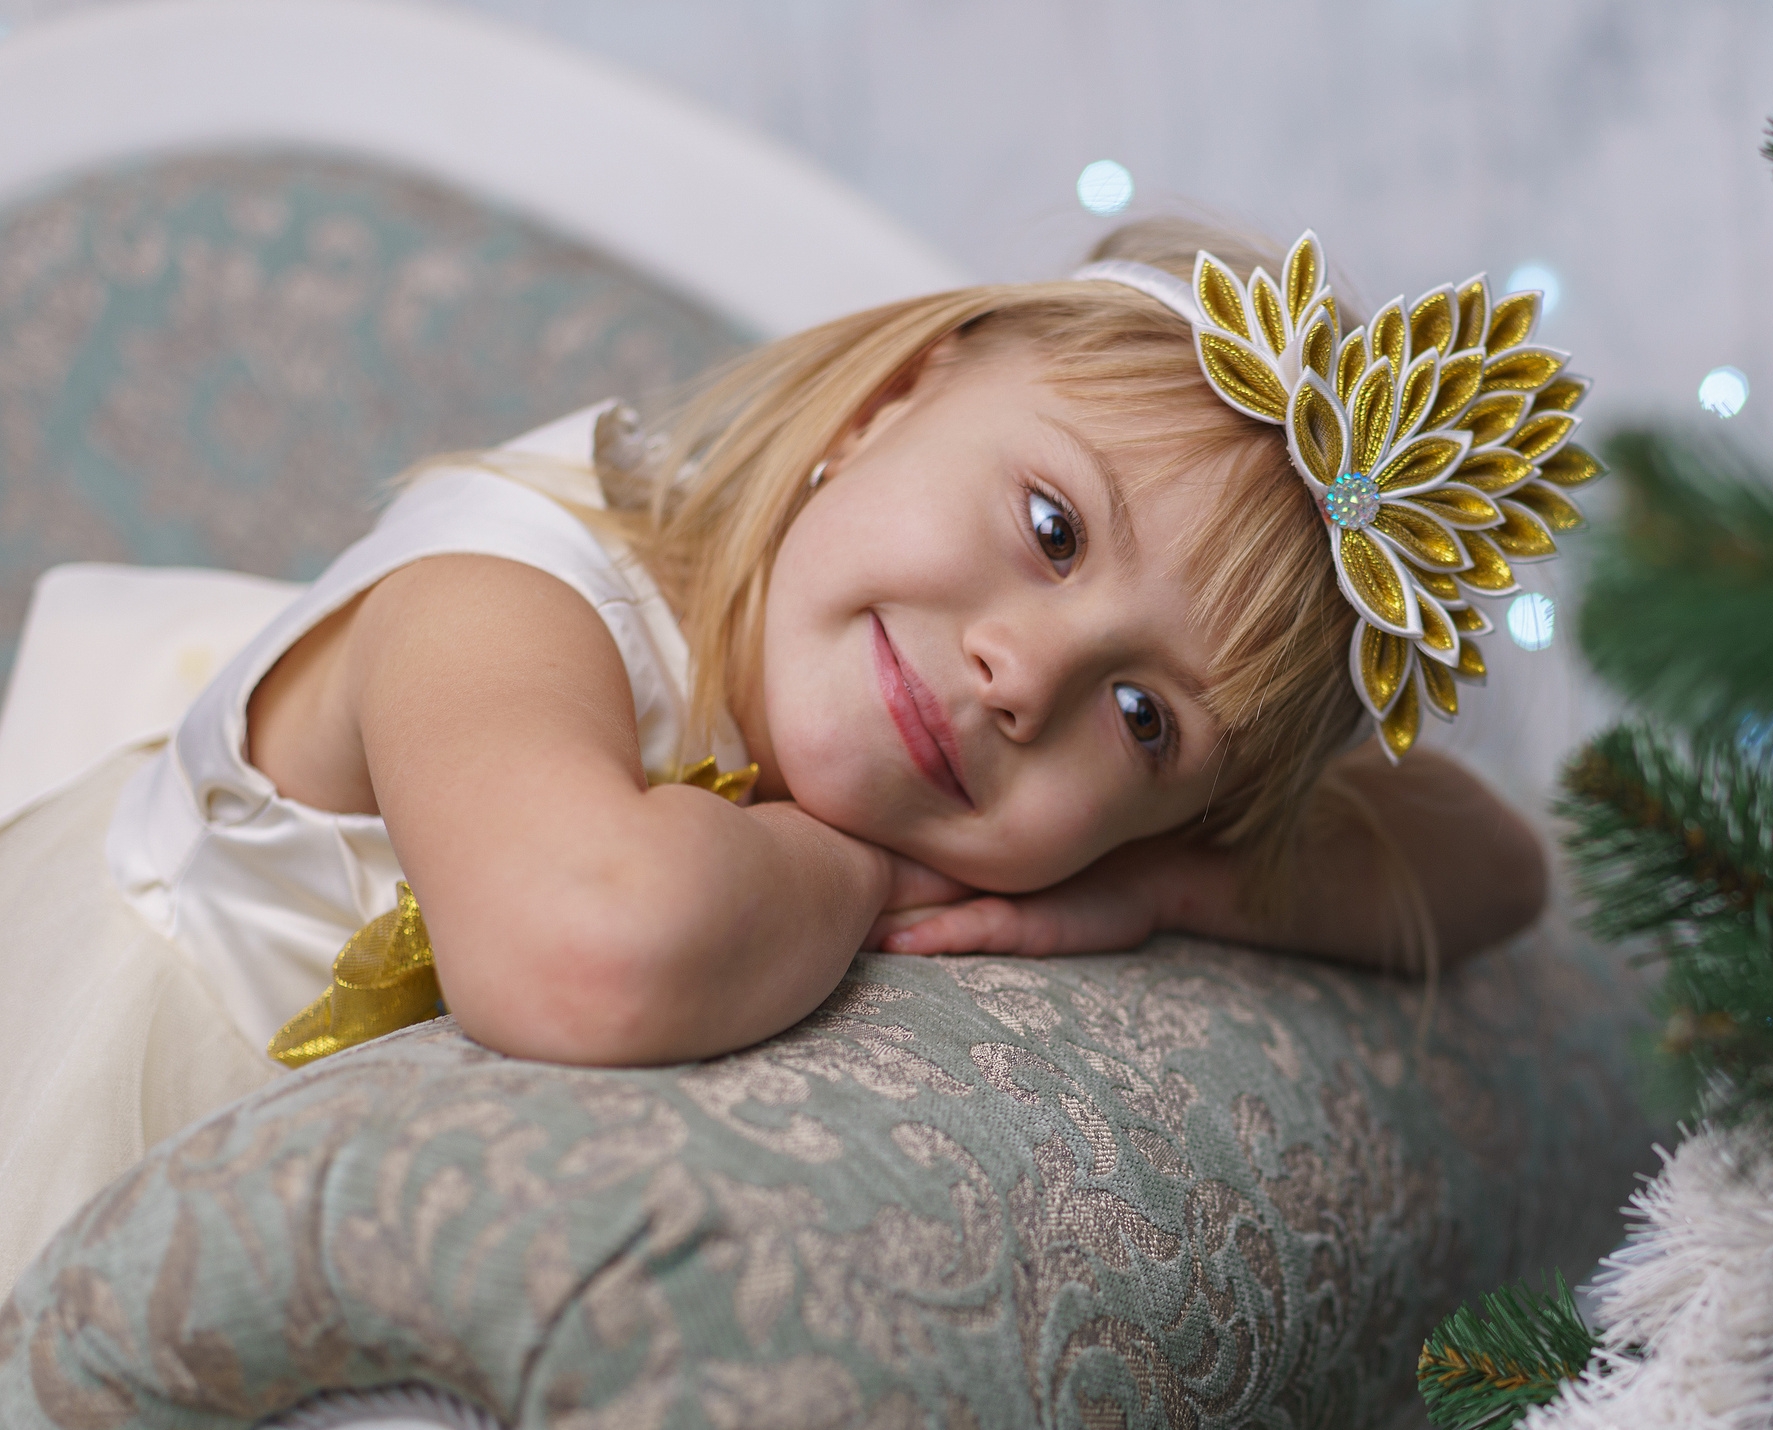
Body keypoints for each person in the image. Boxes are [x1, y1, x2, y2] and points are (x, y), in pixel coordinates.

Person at [0, 218, 1600, 1283]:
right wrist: (855, 866)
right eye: (1051, 527)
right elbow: (590, 951)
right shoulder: (504, 587)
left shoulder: (1085, 807)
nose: (1022, 677)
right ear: (887, 403)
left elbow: (1493, 863)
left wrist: (1178, 893)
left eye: (1144, 718)